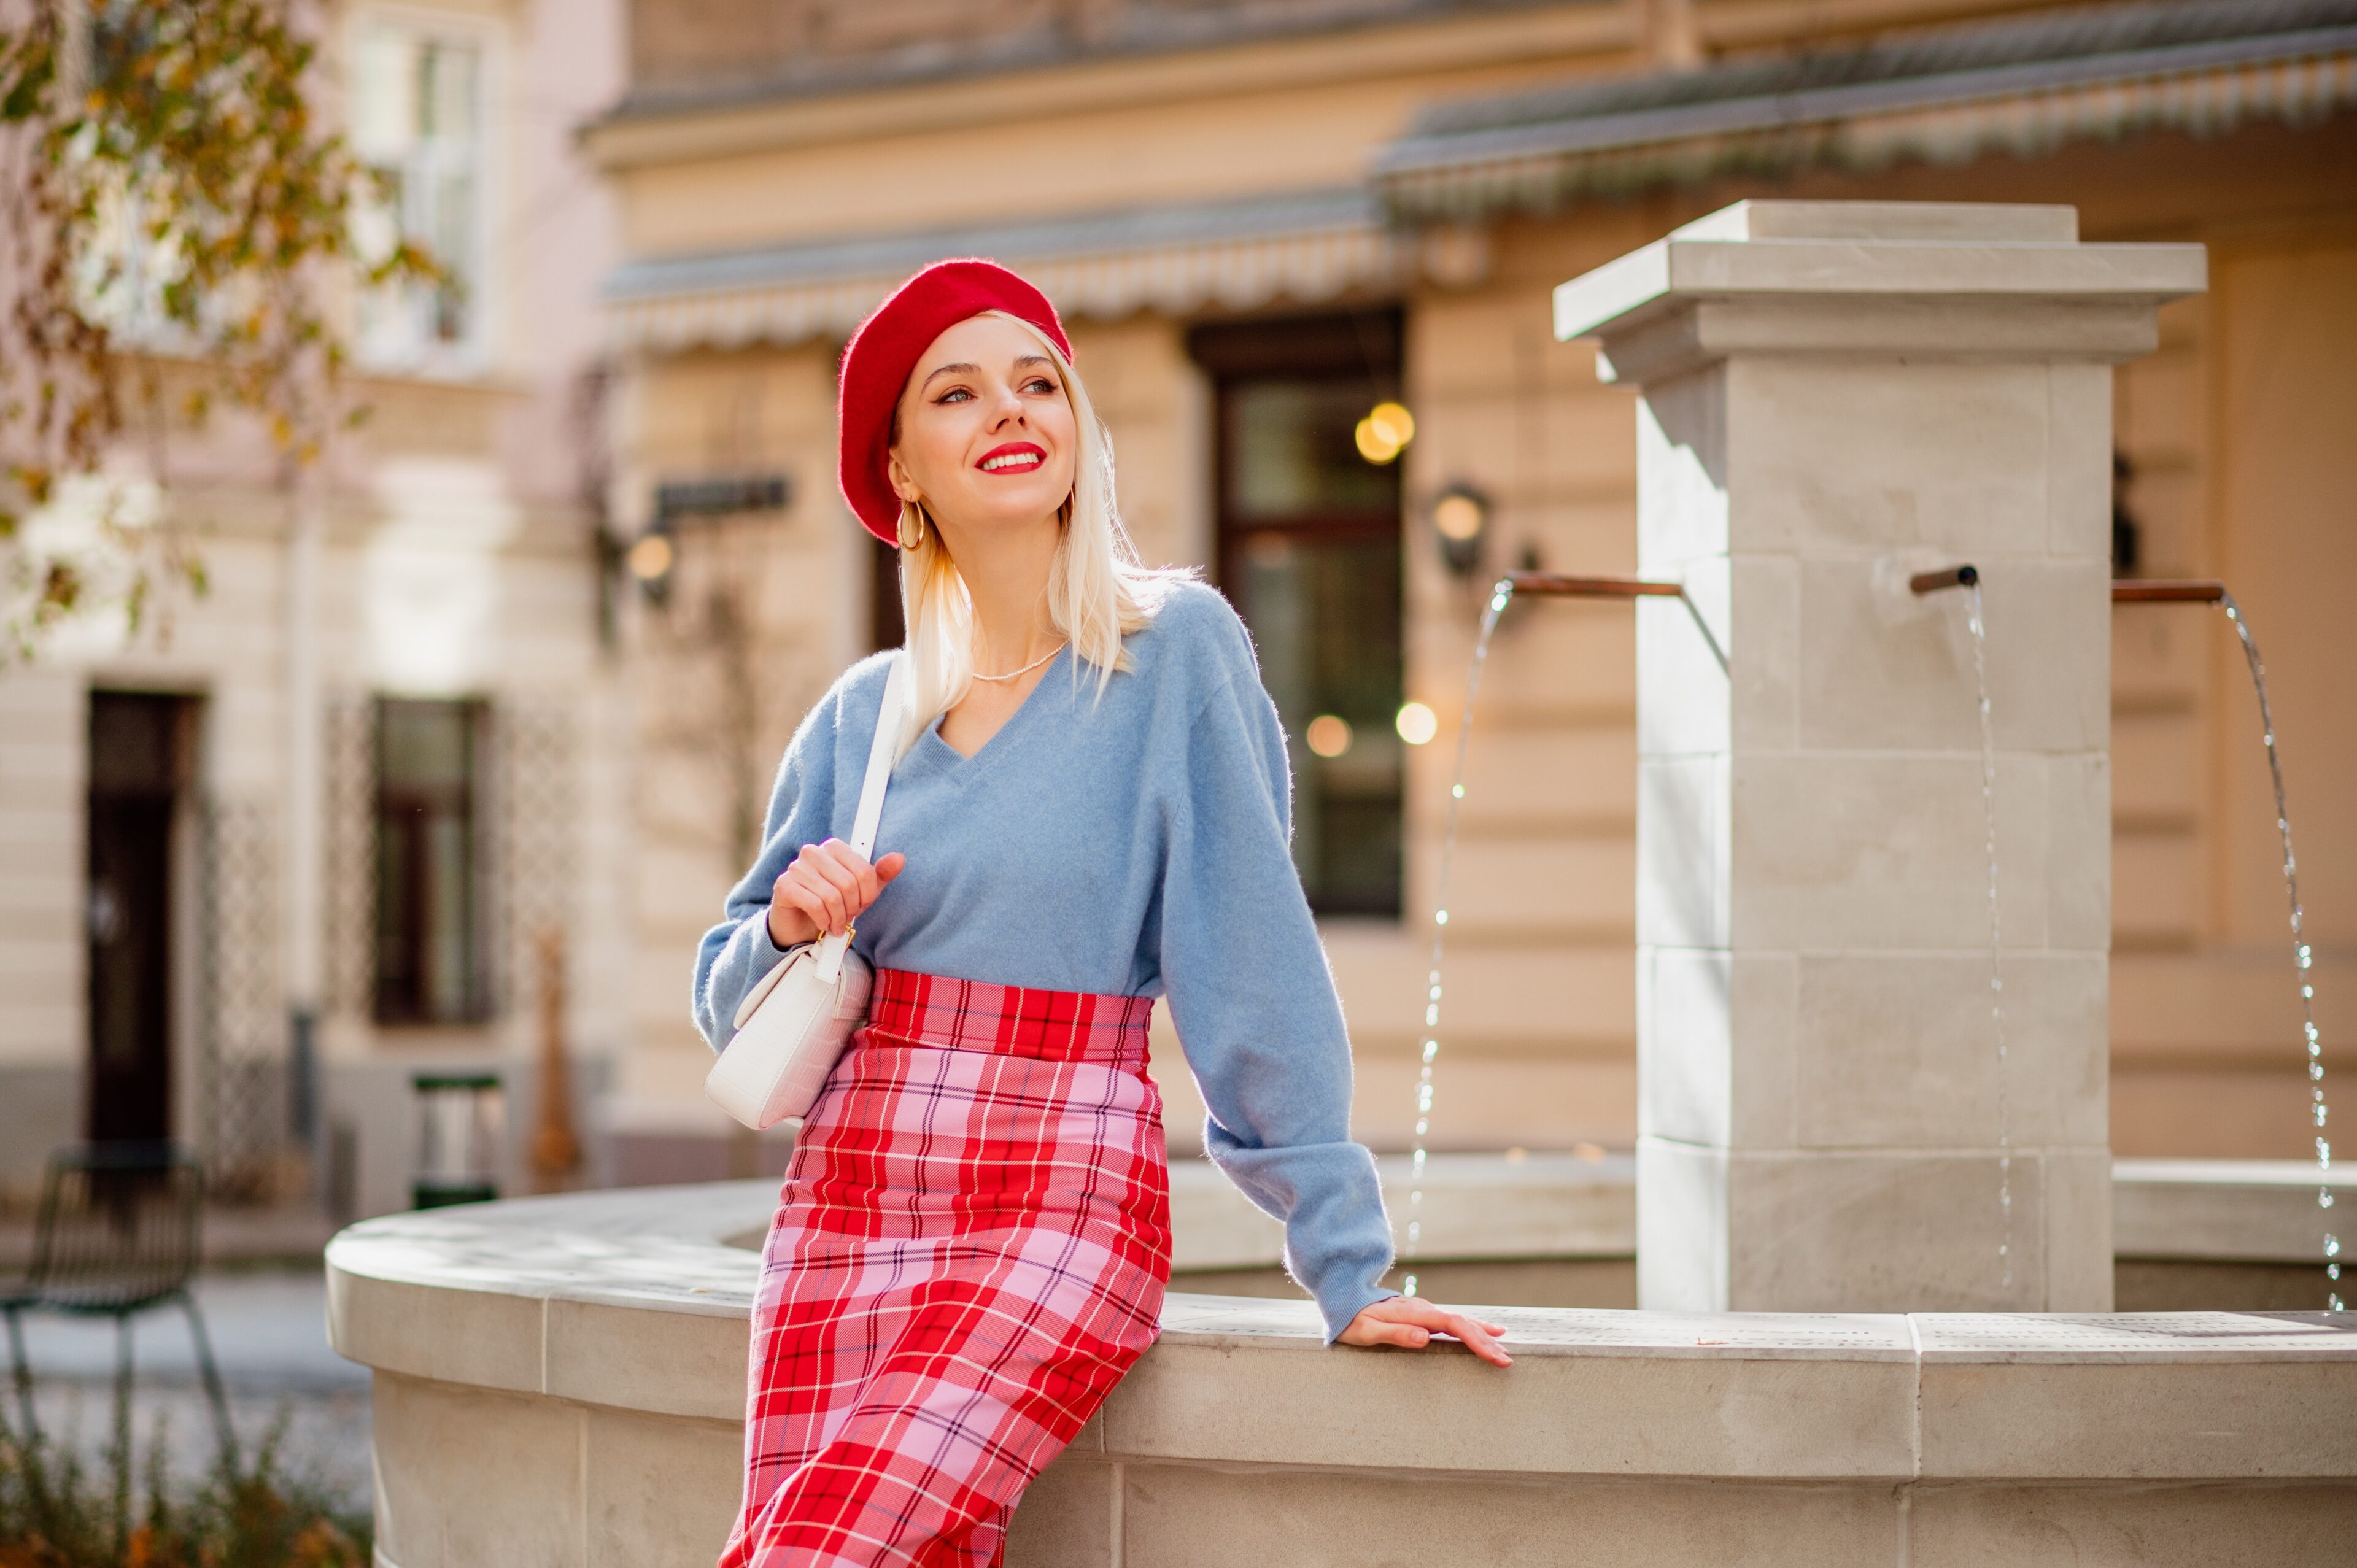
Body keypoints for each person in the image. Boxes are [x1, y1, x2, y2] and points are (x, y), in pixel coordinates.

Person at [694, 258, 1511, 1568]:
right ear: (900, 465)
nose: (1012, 412)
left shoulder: (1174, 652)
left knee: (819, 1552)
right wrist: (787, 927)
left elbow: (1253, 963)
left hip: (1057, 1190)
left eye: (1039, 384)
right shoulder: (862, 720)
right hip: (849, 1195)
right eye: (958, 394)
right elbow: (730, 1004)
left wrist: (1345, 1263)